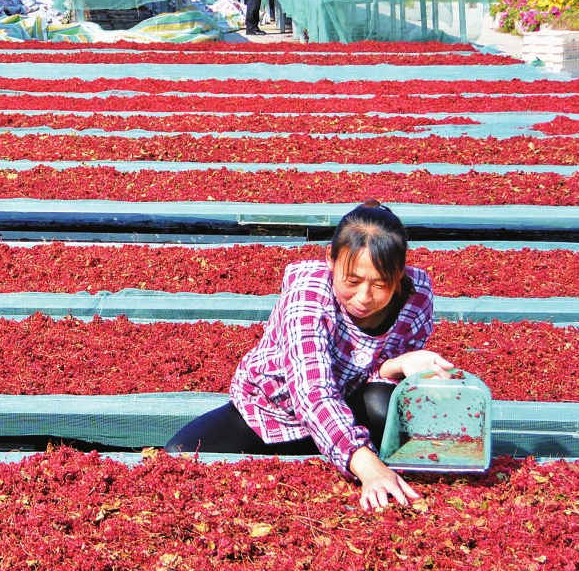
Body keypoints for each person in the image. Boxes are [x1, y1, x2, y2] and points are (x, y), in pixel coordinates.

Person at [165, 201, 455, 511]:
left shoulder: (416, 294)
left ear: (399, 275)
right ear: (331, 260)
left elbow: (374, 370)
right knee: (178, 455)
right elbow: (311, 392)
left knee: (386, 405)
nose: (364, 298)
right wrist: (369, 467)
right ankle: (344, 451)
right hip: (274, 409)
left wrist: (399, 364)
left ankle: (341, 449)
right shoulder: (308, 296)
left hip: (350, 403)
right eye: (353, 281)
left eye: (380, 284)